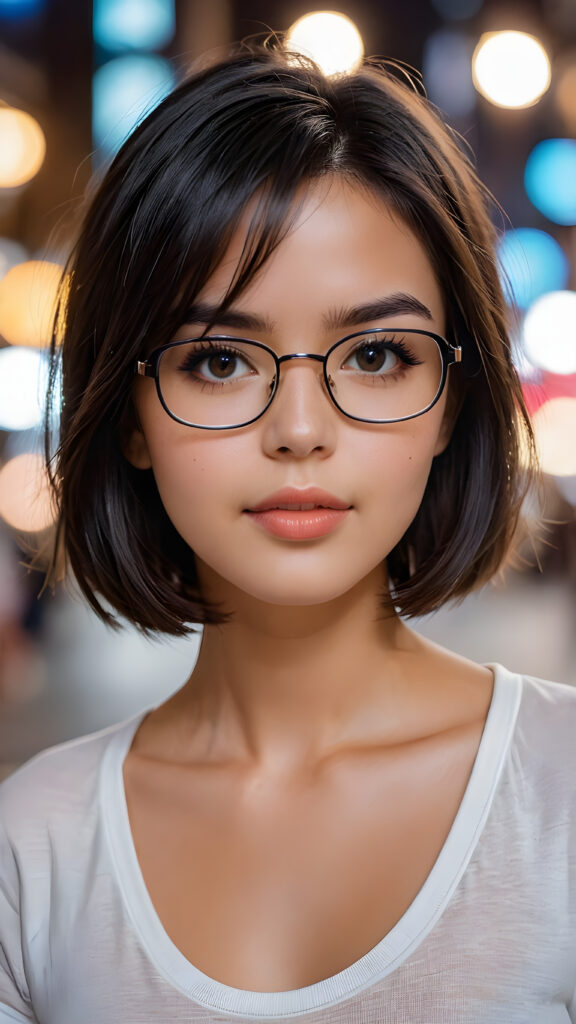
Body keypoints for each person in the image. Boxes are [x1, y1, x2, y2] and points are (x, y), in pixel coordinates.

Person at [1, 38, 575, 1024]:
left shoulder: (561, 798)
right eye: (219, 361)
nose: (300, 429)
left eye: (378, 354)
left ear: (450, 401)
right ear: (131, 415)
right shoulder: (32, 849)